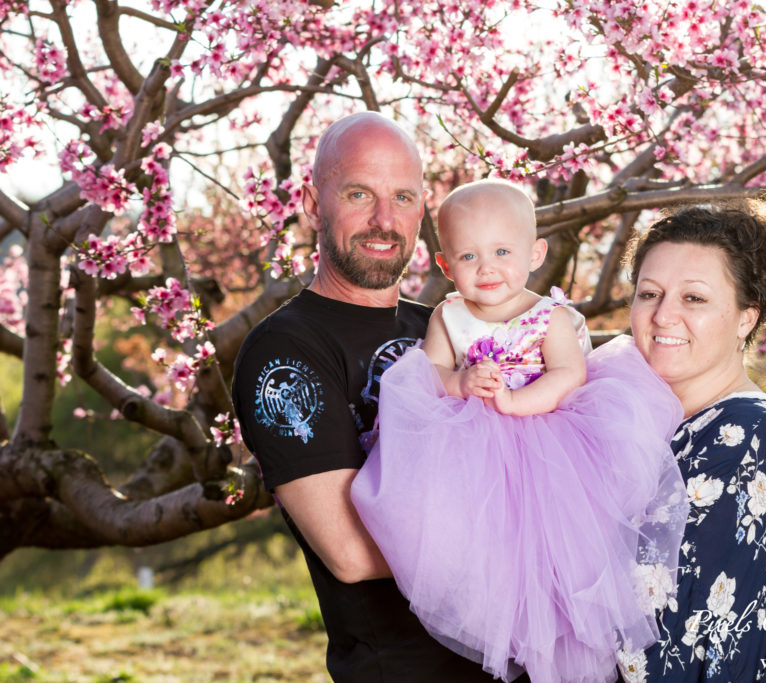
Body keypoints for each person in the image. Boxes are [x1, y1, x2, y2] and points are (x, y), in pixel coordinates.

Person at [351, 180, 689, 683]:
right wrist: (460, 382)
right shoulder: (449, 316)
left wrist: (513, 402)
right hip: (473, 450)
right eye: (468, 256)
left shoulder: (549, 317)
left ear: (535, 253)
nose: (486, 268)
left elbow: (569, 375)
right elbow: (428, 373)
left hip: (550, 446)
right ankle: (505, 631)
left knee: (557, 551)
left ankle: (562, 646)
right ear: (445, 266)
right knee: (489, 551)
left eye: (502, 251)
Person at [231, 112, 497, 682]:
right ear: (312, 201)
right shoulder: (284, 353)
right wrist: (522, 535)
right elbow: (350, 553)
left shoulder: (451, 328)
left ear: (423, 207)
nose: (384, 220)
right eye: (359, 193)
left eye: (402, 196)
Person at [614, 204, 766, 682]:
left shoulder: (746, 439)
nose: (663, 315)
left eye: (694, 298)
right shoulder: (635, 418)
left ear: (745, 319)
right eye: (649, 293)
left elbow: (690, 631)